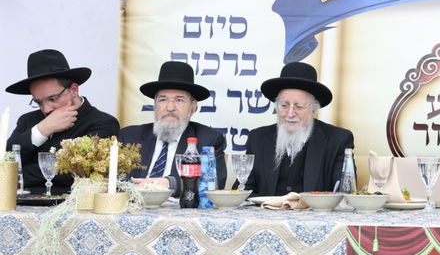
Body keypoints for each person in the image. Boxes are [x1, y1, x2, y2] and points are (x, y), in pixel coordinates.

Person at [5, 49, 119, 194]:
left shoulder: (103, 123)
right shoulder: (27, 120)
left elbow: (75, 171)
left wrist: (16, 174)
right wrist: (42, 130)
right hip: (21, 204)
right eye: (39, 102)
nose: (46, 109)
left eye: (53, 99)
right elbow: (6, 160)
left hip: (71, 205)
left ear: (74, 90)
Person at [244, 62, 353, 196]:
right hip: (265, 209)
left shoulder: (338, 140)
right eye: (284, 105)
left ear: (314, 108)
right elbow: (243, 191)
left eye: (299, 107)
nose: (290, 114)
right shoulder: (257, 138)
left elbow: (344, 192)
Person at [119, 61, 226, 195]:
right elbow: (114, 180)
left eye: (179, 100)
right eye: (163, 100)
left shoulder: (209, 140)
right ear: (155, 105)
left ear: (193, 107)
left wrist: (169, 183)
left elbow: (213, 183)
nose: (170, 108)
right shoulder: (129, 137)